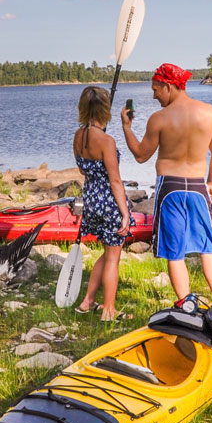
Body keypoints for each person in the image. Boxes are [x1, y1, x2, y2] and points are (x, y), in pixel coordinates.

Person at [121, 63, 212, 302]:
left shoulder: (159, 119)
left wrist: (127, 128)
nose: (154, 95)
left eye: (156, 89)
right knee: (208, 248)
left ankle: (186, 304)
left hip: (170, 189)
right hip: (199, 187)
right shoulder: (210, 113)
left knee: (175, 252)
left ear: (169, 86)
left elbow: (140, 154)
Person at [73, 86, 131, 321]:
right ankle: (109, 309)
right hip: (109, 201)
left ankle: (87, 302)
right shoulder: (107, 140)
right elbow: (115, 180)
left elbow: (81, 168)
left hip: (91, 199)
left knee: (107, 254)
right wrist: (125, 213)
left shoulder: (78, 136)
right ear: (104, 109)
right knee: (113, 257)